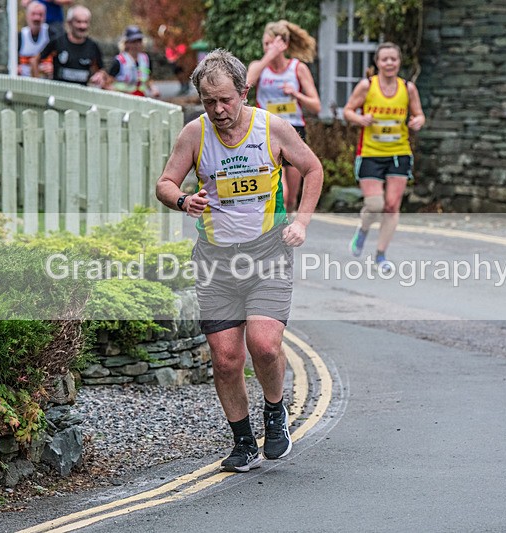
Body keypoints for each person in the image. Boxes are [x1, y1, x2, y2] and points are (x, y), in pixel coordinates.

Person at [155, 49, 323, 472]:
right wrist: (181, 199)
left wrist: (301, 222)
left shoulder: (273, 128)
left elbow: (314, 168)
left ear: (244, 92)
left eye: (226, 99)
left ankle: (275, 410)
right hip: (215, 262)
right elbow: (165, 182)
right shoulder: (195, 134)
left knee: (264, 345)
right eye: (208, 101)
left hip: (268, 254)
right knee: (225, 358)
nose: (218, 110)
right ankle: (243, 441)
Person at [342, 42, 425, 274]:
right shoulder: (367, 86)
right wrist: (360, 119)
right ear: (377, 63)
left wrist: (418, 121)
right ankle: (364, 229)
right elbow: (348, 110)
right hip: (370, 153)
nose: (389, 63)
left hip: (399, 153)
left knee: (391, 206)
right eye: (384, 59)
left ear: (399, 62)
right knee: (375, 205)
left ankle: (380, 255)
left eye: (393, 59)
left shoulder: (408, 88)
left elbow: (419, 114)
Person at [247, 20, 321, 214]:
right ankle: (273, 235)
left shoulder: (297, 68)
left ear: (284, 45)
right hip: (266, 133)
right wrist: (268, 56)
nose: (268, 48)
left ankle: (286, 231)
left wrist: (296, 95)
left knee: (291, 199)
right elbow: (246, 84)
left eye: (272, 44)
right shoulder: (259, 66)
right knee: (281, 192)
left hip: (294, 132)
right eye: (265, 44)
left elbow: (316, 105)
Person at [31, 5, 105, 86]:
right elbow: (34, 60)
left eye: (85, 22)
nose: (82, 26)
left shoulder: (93, 46)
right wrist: (37, 83)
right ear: (69, 23)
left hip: (80, 94)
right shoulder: (58, 41)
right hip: (59, 92)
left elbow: (101, 71)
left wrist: (100, 75)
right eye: (78, 22)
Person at [106, 25, 160, 98]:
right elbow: (108, 83)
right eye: (133, 42)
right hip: (123, 97)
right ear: (127, 43)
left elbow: (148, 79)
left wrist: (153, 89)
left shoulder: (145, 59)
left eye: (139, 41)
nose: (137, 45)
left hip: (140, 96)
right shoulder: (119, 61)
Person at [18, 1, 54, 78]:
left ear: (45, 17)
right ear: (27, 16)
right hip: (23, 81)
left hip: (46, 82)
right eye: (33, 14)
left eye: (40, 15)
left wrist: (53, 67)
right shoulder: (20, 36)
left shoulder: (52, 35)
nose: (37, 18)